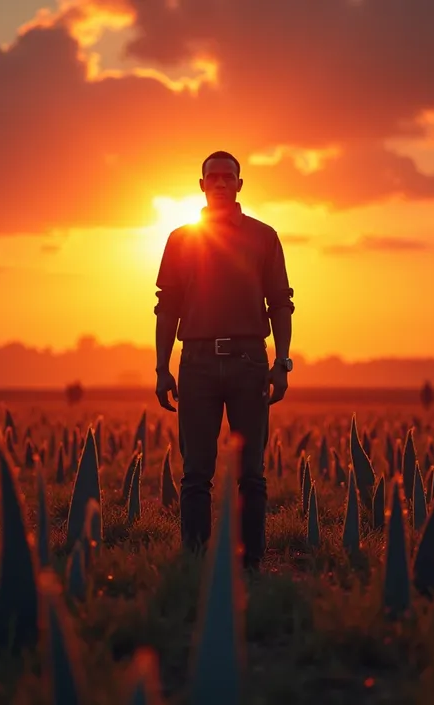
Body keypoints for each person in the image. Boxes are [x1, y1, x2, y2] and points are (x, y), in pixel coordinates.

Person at [154, 150, 295, 572]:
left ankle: (250, 564)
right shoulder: (181, 239)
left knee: (251, 473)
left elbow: (281, 303)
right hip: (195, 364)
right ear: (201, 186)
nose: (218, 182)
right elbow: (166, 306)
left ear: (238, 184)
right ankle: (196, 564)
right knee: (196, 473)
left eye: (226, 177)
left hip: (249, 362)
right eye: (211, 176)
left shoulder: (264, 236)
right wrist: (162, 368)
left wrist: (282, 362)